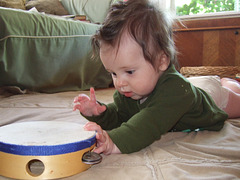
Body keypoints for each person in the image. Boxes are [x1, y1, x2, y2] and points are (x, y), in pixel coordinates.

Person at [73, 0, 240, 155]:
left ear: (162, 61)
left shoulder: (176, 92)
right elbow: (121, 117)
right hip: (189, 87)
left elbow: (146, 125)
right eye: (114, 73)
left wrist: (114, 142)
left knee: (233, 97)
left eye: (129, 72)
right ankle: (225, 81)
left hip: (211, 96)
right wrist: (98, 113)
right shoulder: (129, 90)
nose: (119, 82)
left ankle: (229, 83)